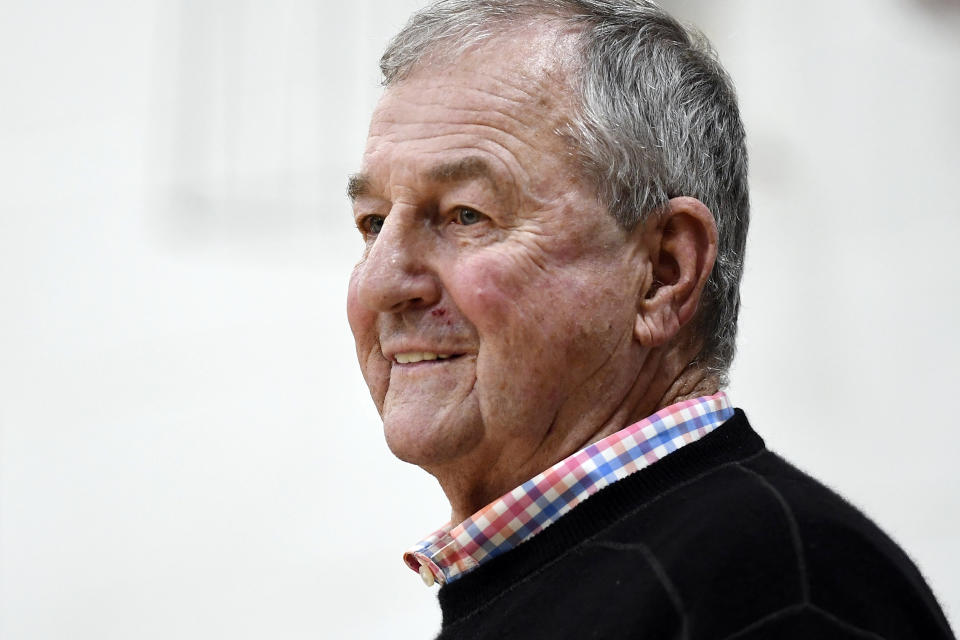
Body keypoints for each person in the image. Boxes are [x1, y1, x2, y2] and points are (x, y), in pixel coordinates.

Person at [345, 1, 955, 638]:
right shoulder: (582, 573)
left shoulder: (775, 585)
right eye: (372, 223)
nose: (382, 281)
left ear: (663, 272)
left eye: (466, 215)